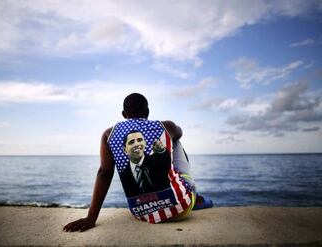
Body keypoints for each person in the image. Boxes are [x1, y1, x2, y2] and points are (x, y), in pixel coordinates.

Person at [63, 93, 212, 232]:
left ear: (124, 114)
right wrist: (167, 134)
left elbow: (104, 173)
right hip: (181, 208)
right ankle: (194, 195)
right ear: (147, 112)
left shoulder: (109, 134)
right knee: (176, 141)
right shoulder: (166, 126)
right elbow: (179, 133)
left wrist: (91, 218)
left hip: (142, 213)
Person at [120, 130, 171, 197]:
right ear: (125, 150)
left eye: (140, 140)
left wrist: (162, 151)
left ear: (145, 143)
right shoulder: (124, 175)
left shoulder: (157, 160)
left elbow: (166, 162)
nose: (137, 144)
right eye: (131, 142)